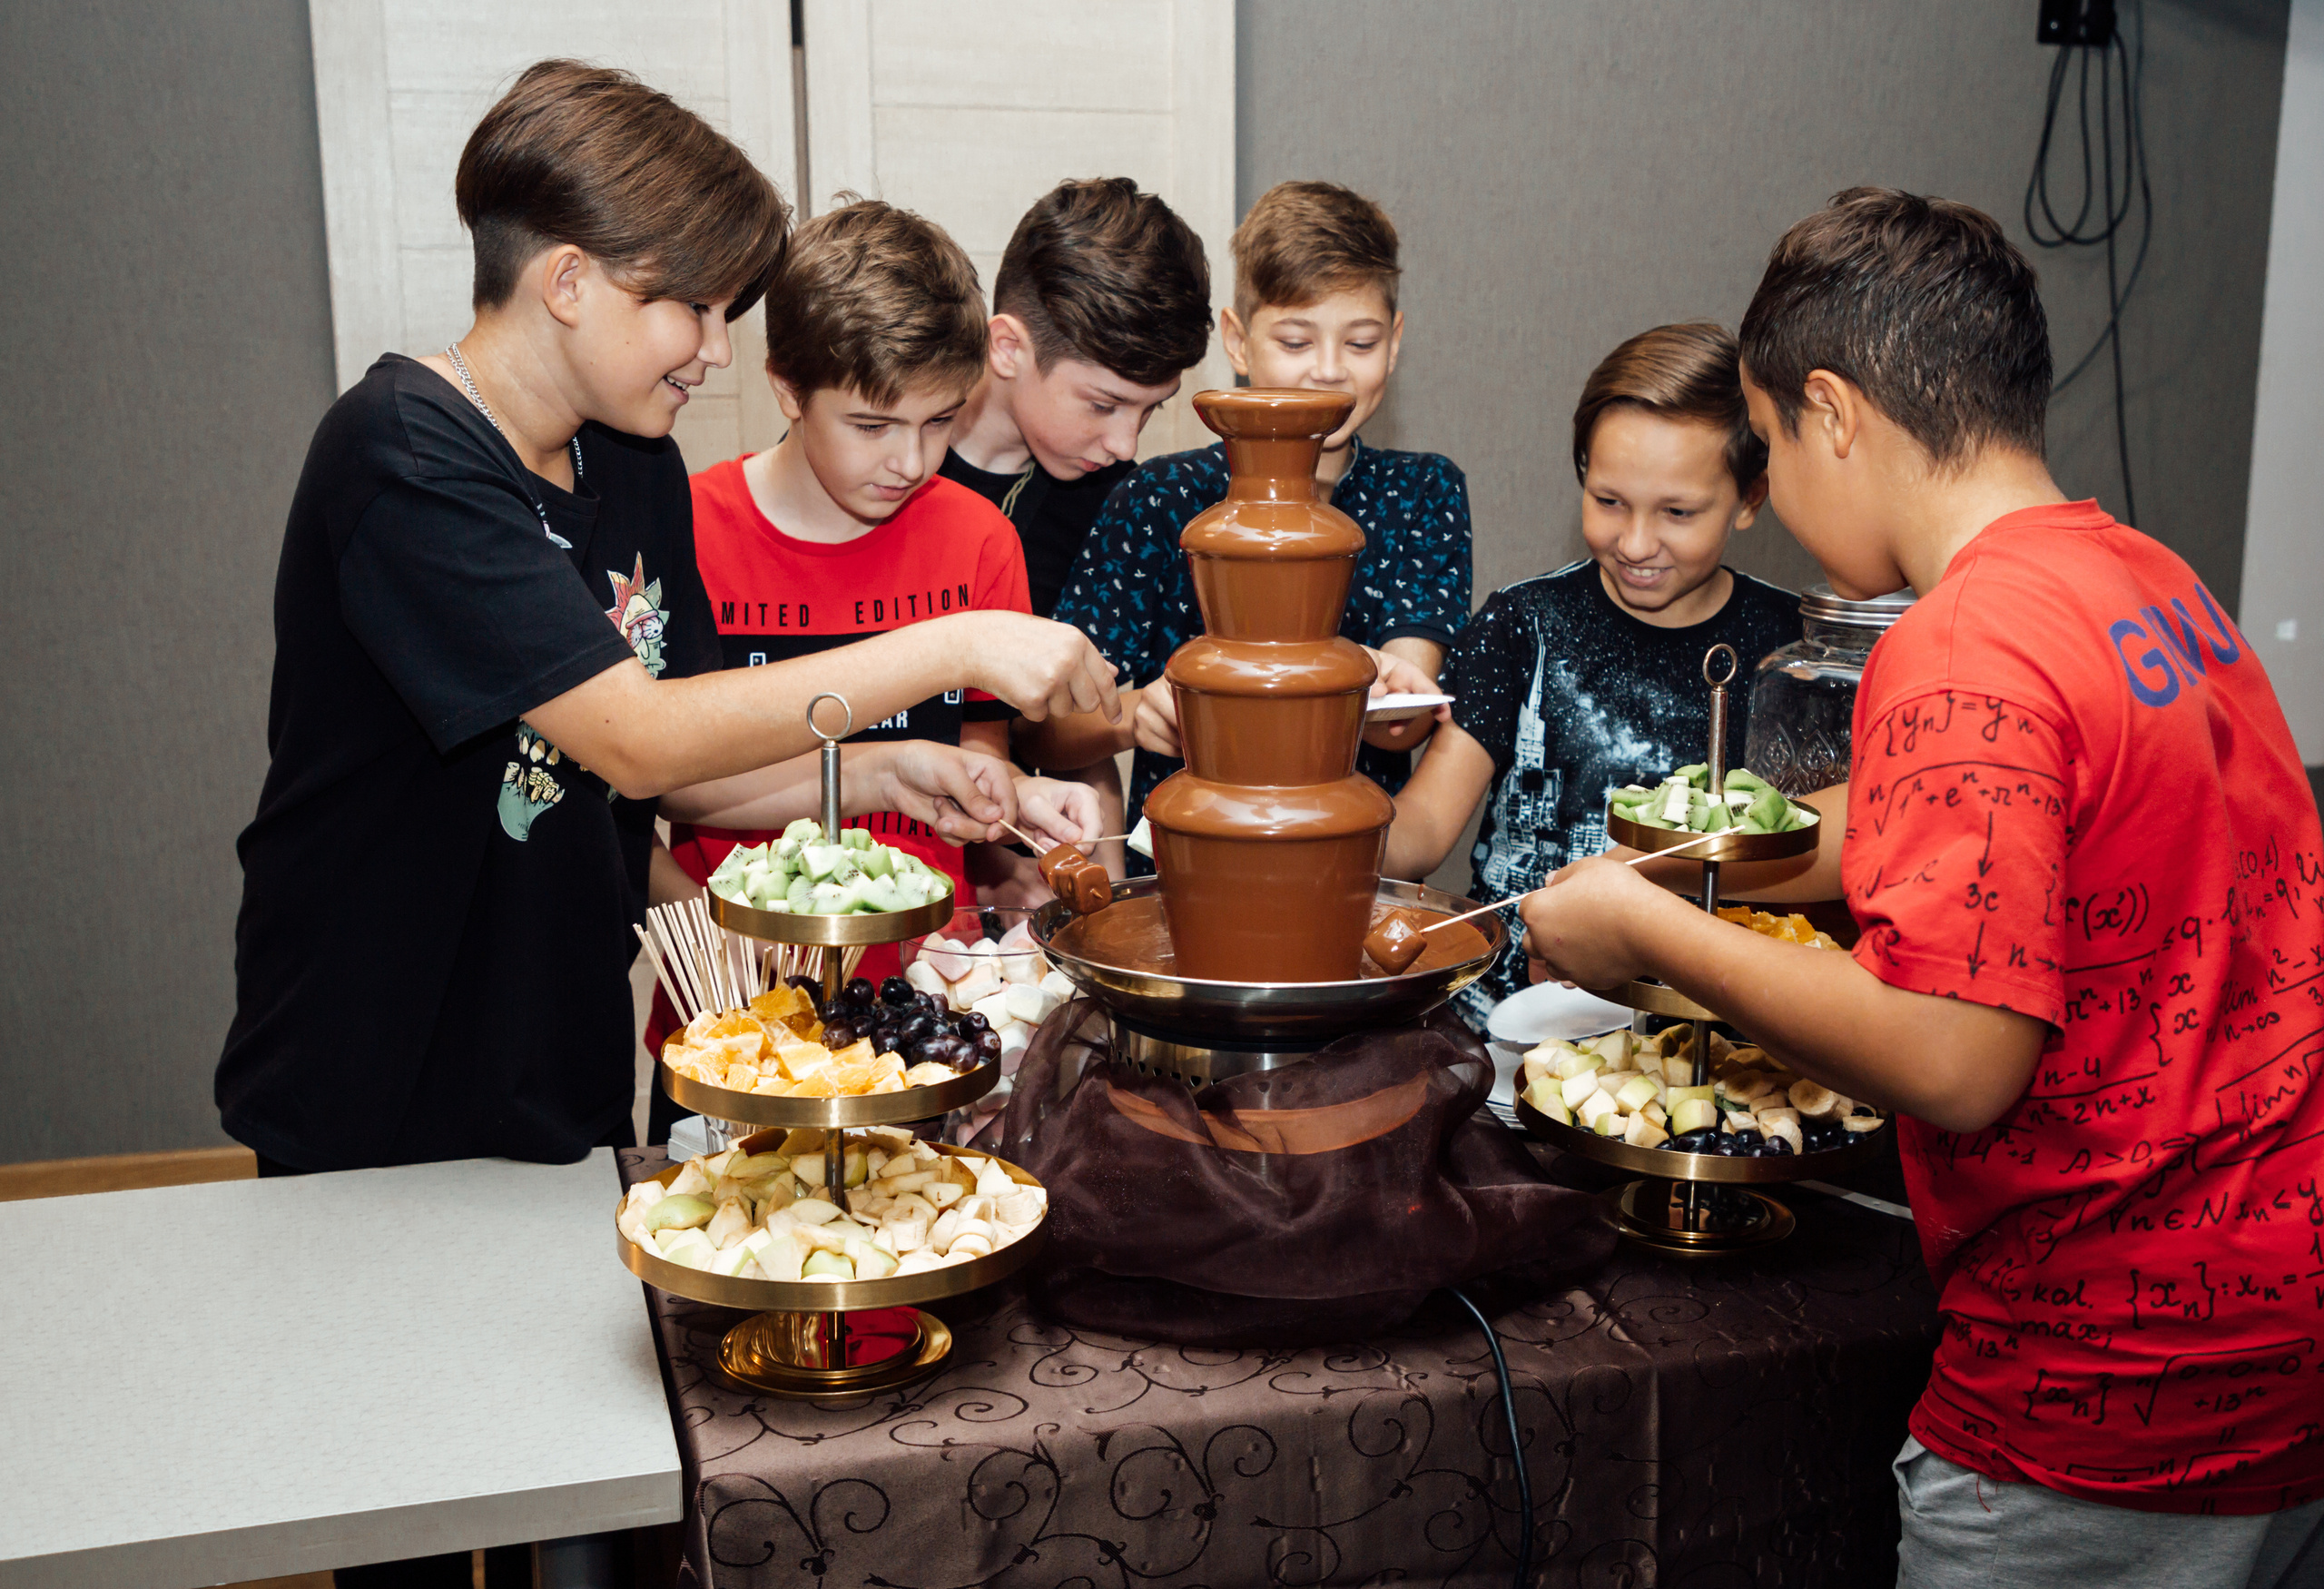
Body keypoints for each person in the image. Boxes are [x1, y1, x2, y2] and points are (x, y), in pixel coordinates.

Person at [1519, 189, 2324, 1584]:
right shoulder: (2148, 579)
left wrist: (1649, 925)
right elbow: (1992, 816)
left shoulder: (1961, 644)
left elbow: (1956, 1058)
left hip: (2107, 1361)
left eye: (1766, 442)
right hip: (2279, 1309)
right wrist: (1714, 846)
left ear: (1829, 412)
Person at [217, 64, 1118, 1187]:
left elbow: (685, 780)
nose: (717, 350)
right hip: (381, 1054)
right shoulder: (403, 456)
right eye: (690, 307)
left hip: (558, 1037)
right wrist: (956, 642)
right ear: (568, 281)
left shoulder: (630, 460)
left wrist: (901, 773)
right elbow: (631, 733)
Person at [645, 200, 1095, 1117]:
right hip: (732, 1009)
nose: (909, 460)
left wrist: (1009, 805)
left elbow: (979, 751)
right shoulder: (686, 533)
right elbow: (667, 782)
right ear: (784, 386)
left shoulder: (978, 541)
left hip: (919, 1013)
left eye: (937, 421)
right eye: (870, 425)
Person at [1041, 180, 1472, 872]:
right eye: (1296, 340)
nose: (1329, 372)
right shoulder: (1159, 496)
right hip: (1184, 878)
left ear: (1394, 342)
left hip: (1352, 875)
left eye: (1360, 342)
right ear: (1238, 342)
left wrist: (1384, 686)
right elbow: (1047, 730)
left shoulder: (1421, 491)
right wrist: (1131, 715)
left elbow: (1403, 723)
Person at [1383, 322, 1797, 1022]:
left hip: (1713, 1034)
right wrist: (1303, 816)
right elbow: (1423, 826)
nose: (1635, 542)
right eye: (1609, 501)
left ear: (1751, 498)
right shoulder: (1523, 624)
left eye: (1677, 512)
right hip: (1508, 1032)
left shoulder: (1793, 652)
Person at [937, 176, 1215, 880]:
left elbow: (1069, 730)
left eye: (1150, 412)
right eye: (1102, 405)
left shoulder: (1115, 497)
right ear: (1008, 347)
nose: (1126, 445)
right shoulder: (885, 462)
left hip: (1018, 856)